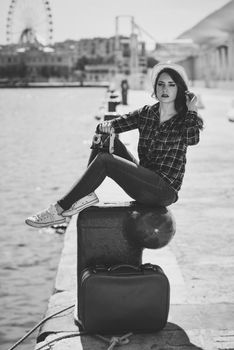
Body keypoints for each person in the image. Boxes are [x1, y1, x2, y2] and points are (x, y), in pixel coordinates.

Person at [26, 62, 203, 228]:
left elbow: (192, 139)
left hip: (163, 191)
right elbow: (113, 125)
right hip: (143, 181)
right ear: (155, 88)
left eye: (171, 85)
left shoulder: (184, 119)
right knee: (104, 138)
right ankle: (85, 195)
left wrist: (192, 110)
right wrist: (106, 126)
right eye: (161, 84)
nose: (165, 89)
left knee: (105, 161)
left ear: (180, 89)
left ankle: (59, 210)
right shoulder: (147, 113)